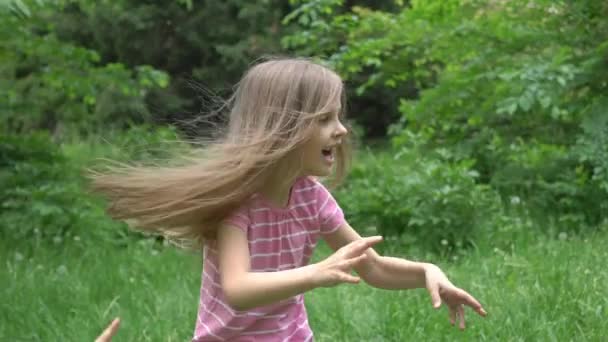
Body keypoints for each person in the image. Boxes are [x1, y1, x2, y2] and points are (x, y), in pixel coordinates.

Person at [91, 57, 487, 341]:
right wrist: (314, 274)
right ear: (283, 127)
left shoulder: (313, 199)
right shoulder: (238, 204)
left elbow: (372, 268)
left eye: (338, 116)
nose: (342, 130)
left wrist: (425, 272)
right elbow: (239, 288)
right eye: (324, 119)